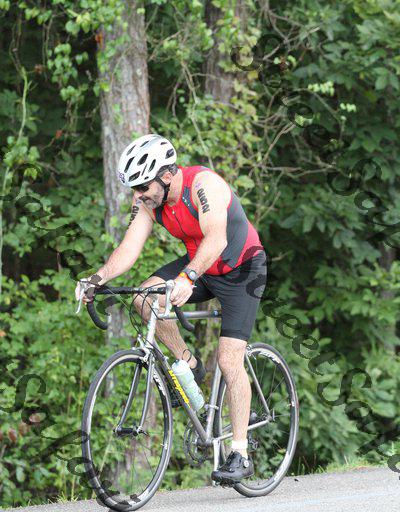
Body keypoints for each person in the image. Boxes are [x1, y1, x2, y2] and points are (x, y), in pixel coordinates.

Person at [75, 133, 267, 484]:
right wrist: (97, 278)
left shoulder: (204, 186)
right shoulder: (151, 201)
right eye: (134, 189)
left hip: (241, 270)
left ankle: (240, 453)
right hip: (202, 266)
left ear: (166, 175)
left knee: (229, 360)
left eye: (142, 187)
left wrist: (188, 277)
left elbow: (217, 238)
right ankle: (188, 363)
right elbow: (129, 247)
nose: (138, 196)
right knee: (144, 297)